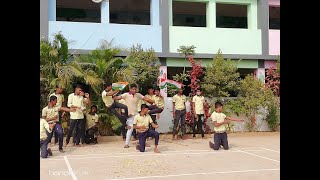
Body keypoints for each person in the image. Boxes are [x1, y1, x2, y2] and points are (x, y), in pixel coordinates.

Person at [113, 84, 155, 148]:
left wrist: (153, 102)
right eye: (133, 89)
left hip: (136, 114)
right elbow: (118, 97)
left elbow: (145, 98)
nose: (134, 90)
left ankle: (143, 142)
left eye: (135, 89)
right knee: (130, 129)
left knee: (142, 128)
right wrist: (112, 95)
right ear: (130, 89)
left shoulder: (138, 95)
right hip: (130, 115)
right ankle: (126, 143)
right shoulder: (126, 95)